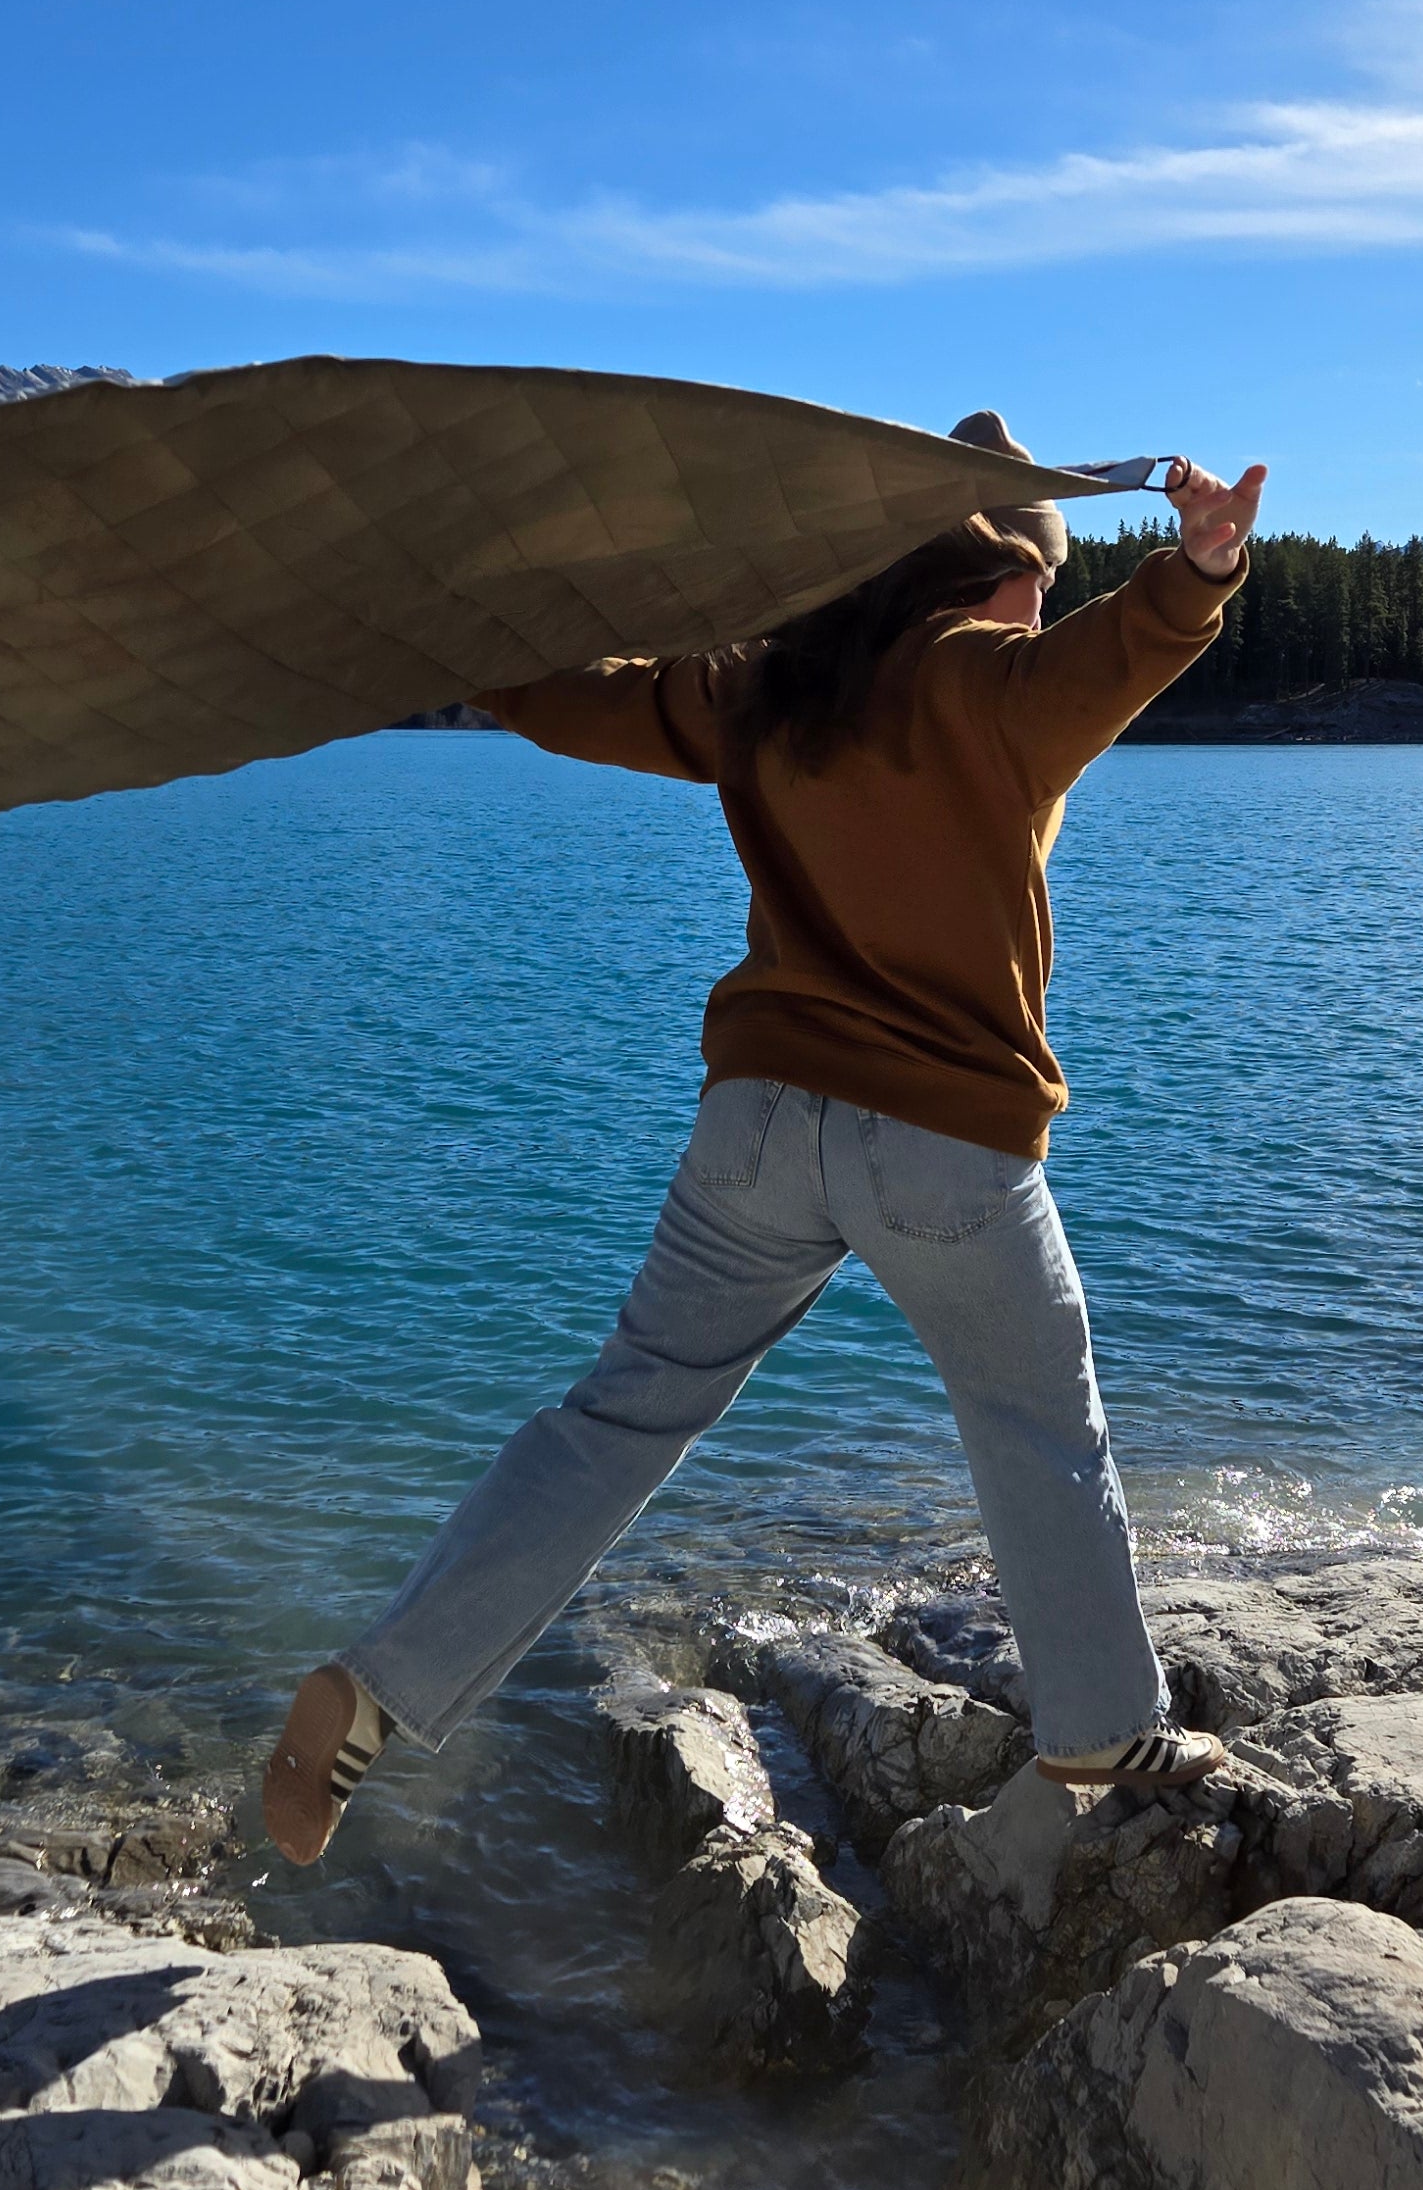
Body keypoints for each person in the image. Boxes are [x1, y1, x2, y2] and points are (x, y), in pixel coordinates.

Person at [260, 413, 1266, 1863]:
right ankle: (1104, 1725)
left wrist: (461, 638)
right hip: (940, 1148)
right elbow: (1098, 665)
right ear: (990, 575)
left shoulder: (771, 689)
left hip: (756, 1130)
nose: (1046, 594)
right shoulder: (984, 680)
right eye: (1037, 571)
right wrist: (1199, 574)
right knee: (1039, 1421)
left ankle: (380, 1686)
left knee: (618, 1419)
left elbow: (586, 700)